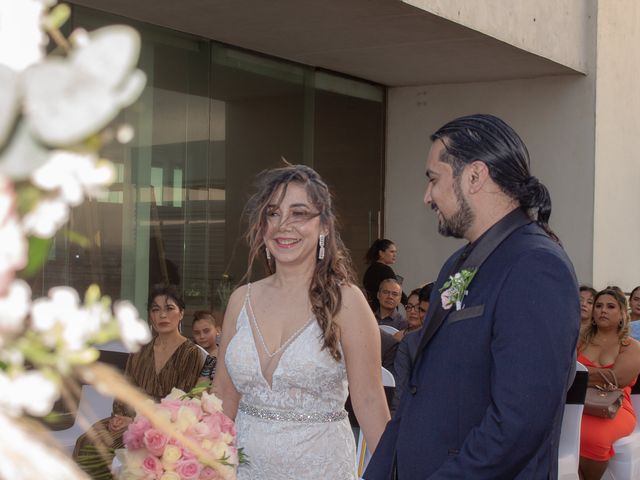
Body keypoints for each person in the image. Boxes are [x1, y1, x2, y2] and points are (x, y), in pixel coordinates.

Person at [365, 113, 580, 479]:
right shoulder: (457, 264)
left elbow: (518, 423)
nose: (427, 196)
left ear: (475, 175)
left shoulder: (537, 267)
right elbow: (418, 395)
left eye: (434, 179)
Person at [212, 164, 390, 479]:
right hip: (244, 468)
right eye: (273, 214)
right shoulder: (241, 300)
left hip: (320, 467)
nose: (284, 225)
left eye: (299, 213)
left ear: (323, 226)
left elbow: (370, 402)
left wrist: (395, 472)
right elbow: (224, 395)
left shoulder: (347, 303)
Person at [73, 285, 203, 475]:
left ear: (181, 313)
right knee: (88, 442)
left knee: (115, 451)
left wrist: (137, 419)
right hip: (129, 419)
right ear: (150, 316)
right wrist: (119, 417)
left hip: (166, 425)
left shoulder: (190, 353)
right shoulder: (140, 351)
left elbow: (183, 401)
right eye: (155, 310)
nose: (162, 315)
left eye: (169, 308)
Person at [578, 287, 640, 480]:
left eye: (610, 306)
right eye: (598, 306)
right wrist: (603, 375)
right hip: (576, 404)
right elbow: (561, 372)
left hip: (616, 407)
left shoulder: (631, 346)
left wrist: (580, 374)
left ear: (622, 313)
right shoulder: (579, 340)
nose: (602, 310)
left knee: (595, 438)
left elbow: (619, 379)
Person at [363, 239, 405, 310]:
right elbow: (396, 290)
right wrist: (407, 303)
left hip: (371, 310)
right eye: (391, 252)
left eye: (395, 252)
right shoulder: (385, 270)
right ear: (381, 253)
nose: (395, 255)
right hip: (384, 312)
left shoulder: (370, 269)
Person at [192, 310, 220, 381]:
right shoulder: (190, 357)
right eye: (197, 333)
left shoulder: (224, 356)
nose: (202, 336)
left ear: (218, 330)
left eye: (206, 331)